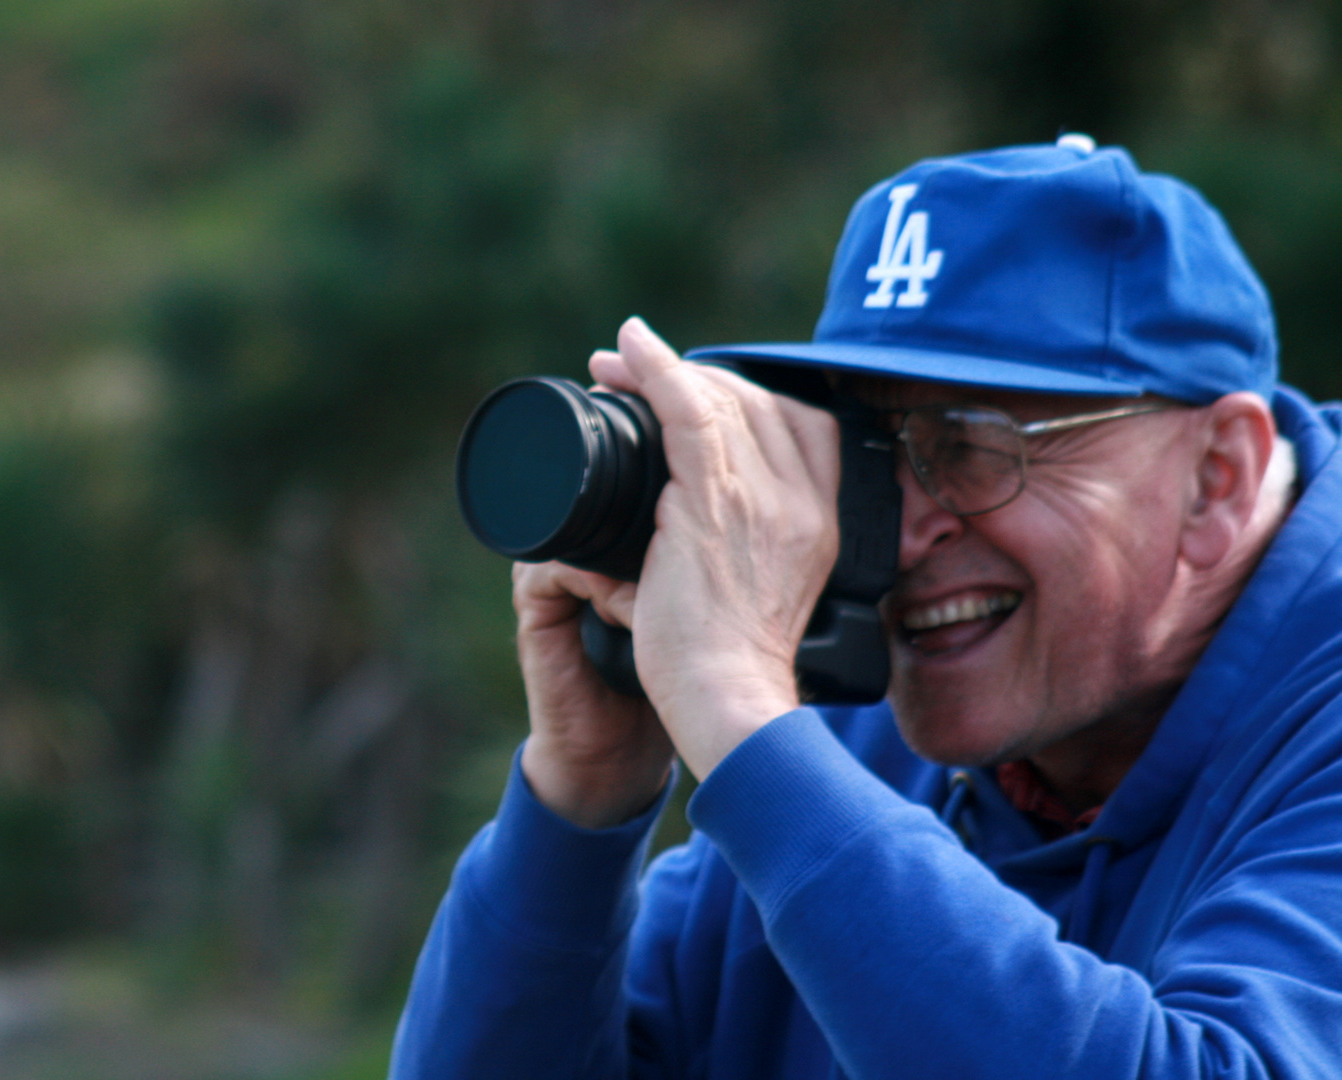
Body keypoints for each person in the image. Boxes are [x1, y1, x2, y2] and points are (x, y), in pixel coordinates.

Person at [391, 137, 1342, 1079]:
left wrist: (735, 705)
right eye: (871, 452)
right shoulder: (852, 745)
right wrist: (581, 796)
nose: (893, 531)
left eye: (971, 443)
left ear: (1216, 480)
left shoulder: (784, 765)